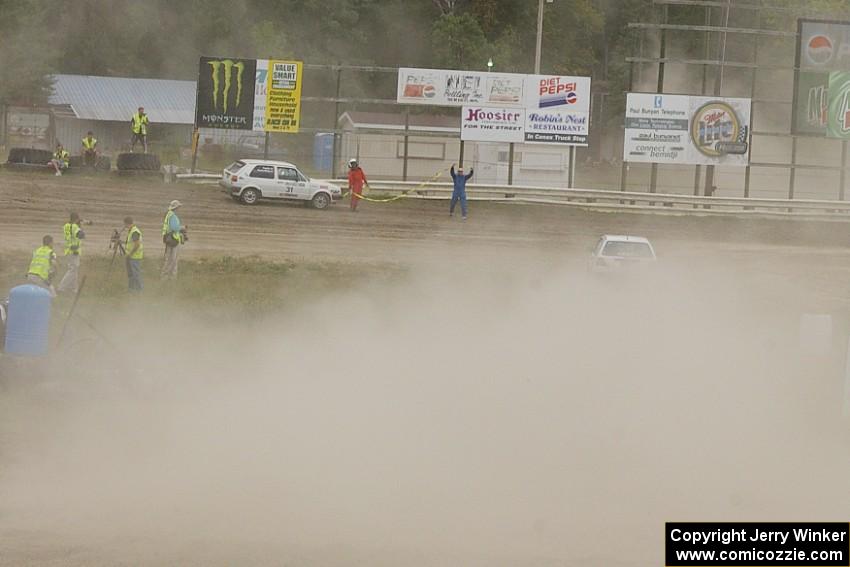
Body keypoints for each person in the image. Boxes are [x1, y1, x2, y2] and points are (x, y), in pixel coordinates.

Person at [57, 212, 86, 295]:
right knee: (72, 270)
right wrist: (81, 227)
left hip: (68, 249)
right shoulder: (74, 227)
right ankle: (61, 287)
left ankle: (73, 288)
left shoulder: (66, 226)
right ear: (76, 219)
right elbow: (81, 235)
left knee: (74, 270)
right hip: (74, 250)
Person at [161, 199, 184, 280]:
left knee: (168, 258)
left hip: (169, 239)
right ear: (176, 207)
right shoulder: (173, 216)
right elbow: (174, 228)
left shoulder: (168, 214)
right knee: (173, 259)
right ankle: (171, 277)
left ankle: (164, 276)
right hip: (174, 240)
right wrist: (182, 228)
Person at [124, 216, 144, 293]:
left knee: (136, 274)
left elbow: (137, 244)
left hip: (135, 257)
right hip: (130, 256)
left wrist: (130, 254)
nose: (125, 227)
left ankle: (139, 290)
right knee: (131, 275)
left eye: (125, 225)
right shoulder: (131, 231)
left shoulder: (135, 231)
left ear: (127, 223)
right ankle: (131, 289)